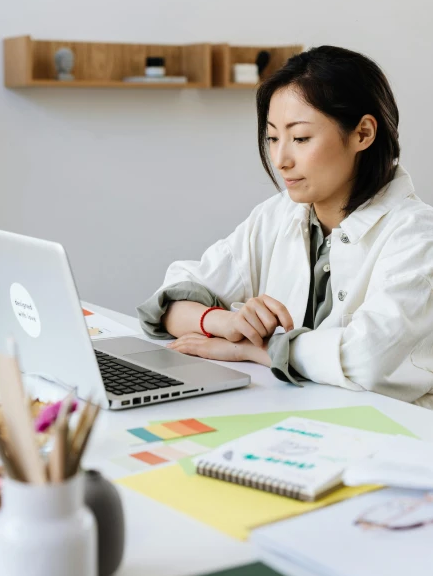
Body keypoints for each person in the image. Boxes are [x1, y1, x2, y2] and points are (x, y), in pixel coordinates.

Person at [137, 46, 433, 409]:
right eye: (273, 138)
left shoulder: (417, 237)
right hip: (292, 423)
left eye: (301, 138)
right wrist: (222, 322)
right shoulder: (276, 215)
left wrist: (253, 351)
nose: (280, 160)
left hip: (391, 441)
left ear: (363, 133)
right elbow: (169, 301)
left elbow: (366, 359)